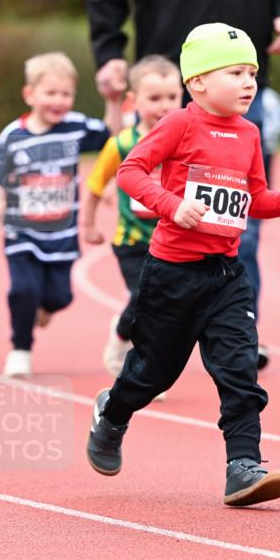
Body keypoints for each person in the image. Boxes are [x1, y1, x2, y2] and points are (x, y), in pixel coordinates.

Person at [86, 23, 280, 507]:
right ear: (197, 82)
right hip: (172, 274)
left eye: (252, 72)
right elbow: (130, 172)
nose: (249, 82)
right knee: (154, 373)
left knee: (239, 369)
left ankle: (243, 466)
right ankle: (113, 412)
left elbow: (254, 198)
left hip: (226, 276)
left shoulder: (250, 133)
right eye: (235, 73)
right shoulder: (179, 124)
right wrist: (172, 205)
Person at [86, 0, 280, 365]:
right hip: (169, 86)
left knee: (239, 221)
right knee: (163, 222)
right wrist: (108, 53)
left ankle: (239, 331)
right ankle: (146, 328)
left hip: (244, 90)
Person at [0, 52, 121, 377]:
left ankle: (42, 309)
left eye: (66, 94)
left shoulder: (75, 127)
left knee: (61, 297)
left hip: (62, 235)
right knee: (23, 290)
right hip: (22, 232)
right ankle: (20, 350)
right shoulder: (13, 136)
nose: (59, 101)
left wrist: (113, 101)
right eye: (51, 93)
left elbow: (112, 136)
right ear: (30, 94)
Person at [81, 55, 183, 380]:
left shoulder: (186, 141)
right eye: (154, 98)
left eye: (172, 97)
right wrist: (88, 225)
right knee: (144, 299)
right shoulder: (122, 144)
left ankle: (150, 364)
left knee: (167, 307)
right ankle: (126, 342)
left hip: (174, 242)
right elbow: (95, 185)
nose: (164, 106)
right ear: (133, 100)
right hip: (133, 241)